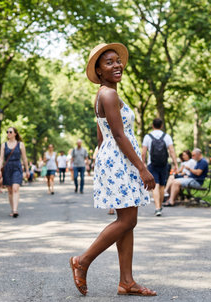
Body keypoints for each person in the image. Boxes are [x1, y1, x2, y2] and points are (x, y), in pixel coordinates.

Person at [69, 43, 156, 297]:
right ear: (99, 70)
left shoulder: (106, 94)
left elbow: (101, 136)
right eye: (109, 62)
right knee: (128, 220)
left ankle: (126, 281)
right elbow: (118, 134)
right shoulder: (108, 94)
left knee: (127, 222)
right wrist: (142, 168)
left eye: (117, 61)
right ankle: (82, 260)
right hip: (121, 160)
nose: (116, 65)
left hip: (116, 160)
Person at [141, 118, 178, 216]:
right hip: (164, 164)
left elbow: (143, 153)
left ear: (152, 125)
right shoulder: (167, 136)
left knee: (155, 185)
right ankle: (160, 206)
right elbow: (172, 151)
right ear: (161, 126)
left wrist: (142, 165)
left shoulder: (147, 137)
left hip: (152, 164)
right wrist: (176, 164)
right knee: (162, 185)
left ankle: (157, 208)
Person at [0, 127, 29, 218]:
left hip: (17, 168)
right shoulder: (4, 145)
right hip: (7, 168)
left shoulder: (20, 144)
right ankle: (12, 209)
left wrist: (27, 170)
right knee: (10, 190)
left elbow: (24, 158)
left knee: (15, 188)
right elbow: (1, 159)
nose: (8, 133)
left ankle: (15, 210)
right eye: (7, 132)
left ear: (15, 134)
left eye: (10, 132)